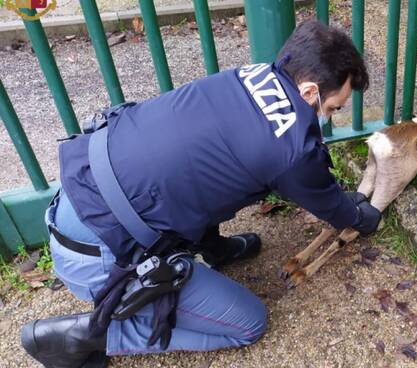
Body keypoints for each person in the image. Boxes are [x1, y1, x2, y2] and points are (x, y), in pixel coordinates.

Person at [19, 20, 381, 368]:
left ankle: (212, 250)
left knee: (213, 171)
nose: (330, 117)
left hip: (77, 198)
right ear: (308, 92)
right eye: (332, 108)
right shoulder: (292, 148)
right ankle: (93, 334)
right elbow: (333, 206)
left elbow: (205, 175)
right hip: (100, 255)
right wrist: (363, 215)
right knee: (248, 324)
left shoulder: (250, 76)